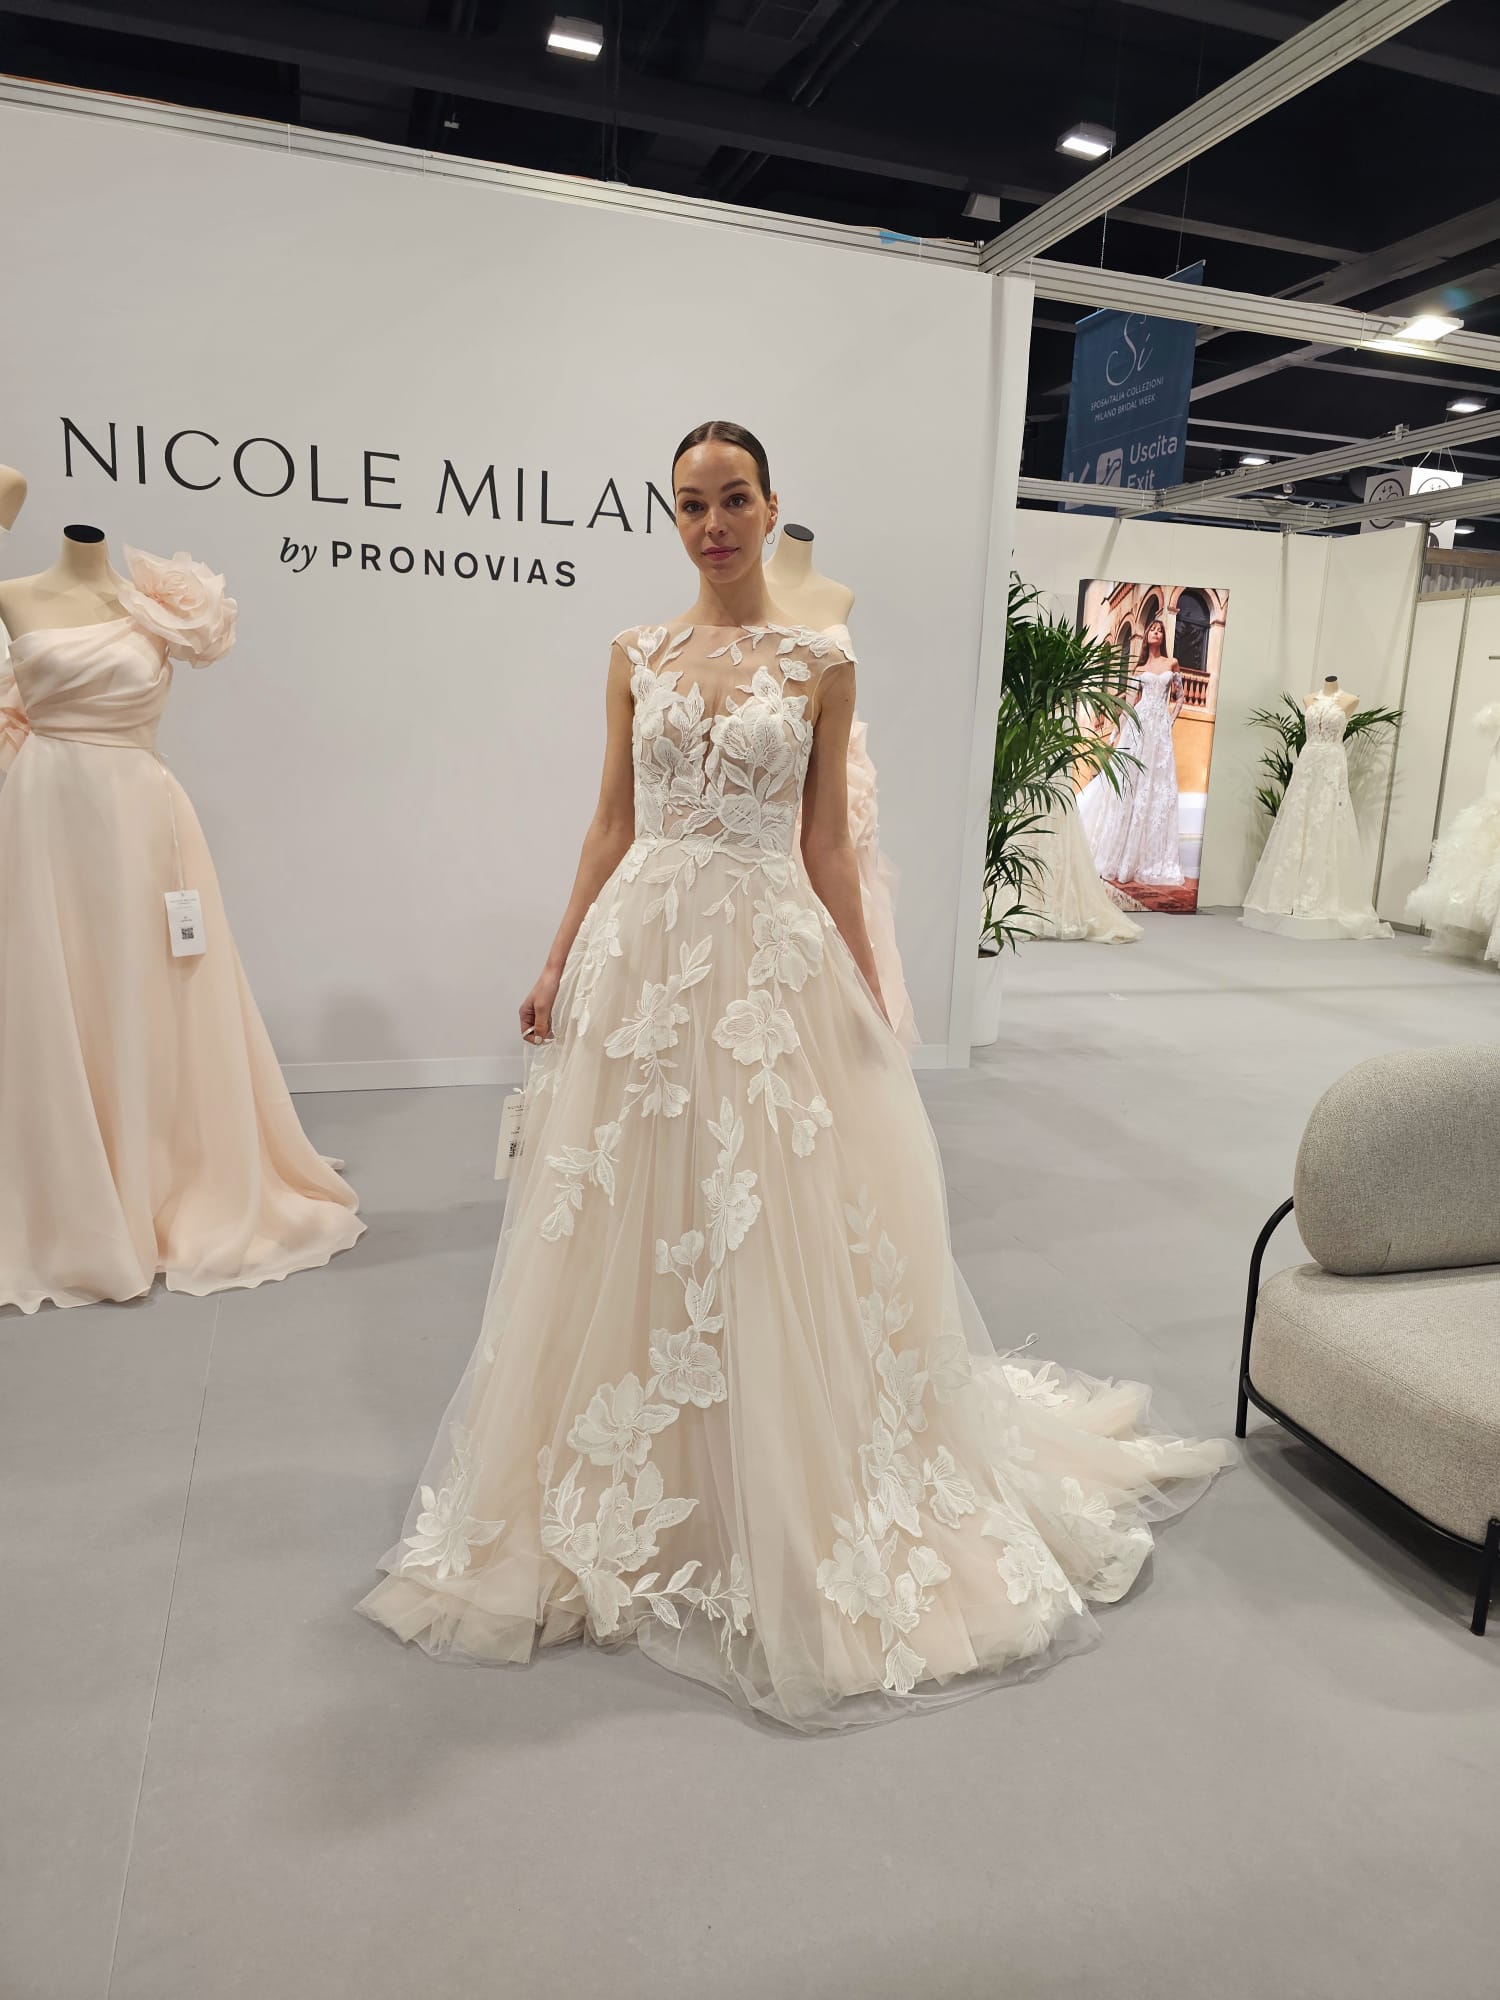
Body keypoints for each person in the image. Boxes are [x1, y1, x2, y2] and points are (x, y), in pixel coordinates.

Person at [358, 421, 1230, 1731]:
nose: (711, 525)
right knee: (627, 1214)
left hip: (766, 958)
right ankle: (635, 1476)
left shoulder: (821, 661)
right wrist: (556, 958)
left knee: (767, 1210)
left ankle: (773, 1479)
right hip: (645, 955)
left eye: (732, 500)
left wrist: (869, 987)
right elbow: (611, 821)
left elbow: (824, 843)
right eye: (689, 504)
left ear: (772, 509)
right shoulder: (634, 654)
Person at [1076, 619, 1186, 888]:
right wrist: (1117, 730)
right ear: (1146, 636)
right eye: (1152, 630)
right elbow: (1130, 701)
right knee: (1129, 783)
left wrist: (1169, 722)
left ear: (1163, 636)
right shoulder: (1139, 669)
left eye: (1160, 630)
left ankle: (1145, 858)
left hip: (1159, 731)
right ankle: (1117, 851)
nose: (1156, 633)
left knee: (1155, 786)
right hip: (1139, 725)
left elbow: (1180, 697)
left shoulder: (1172, 663)